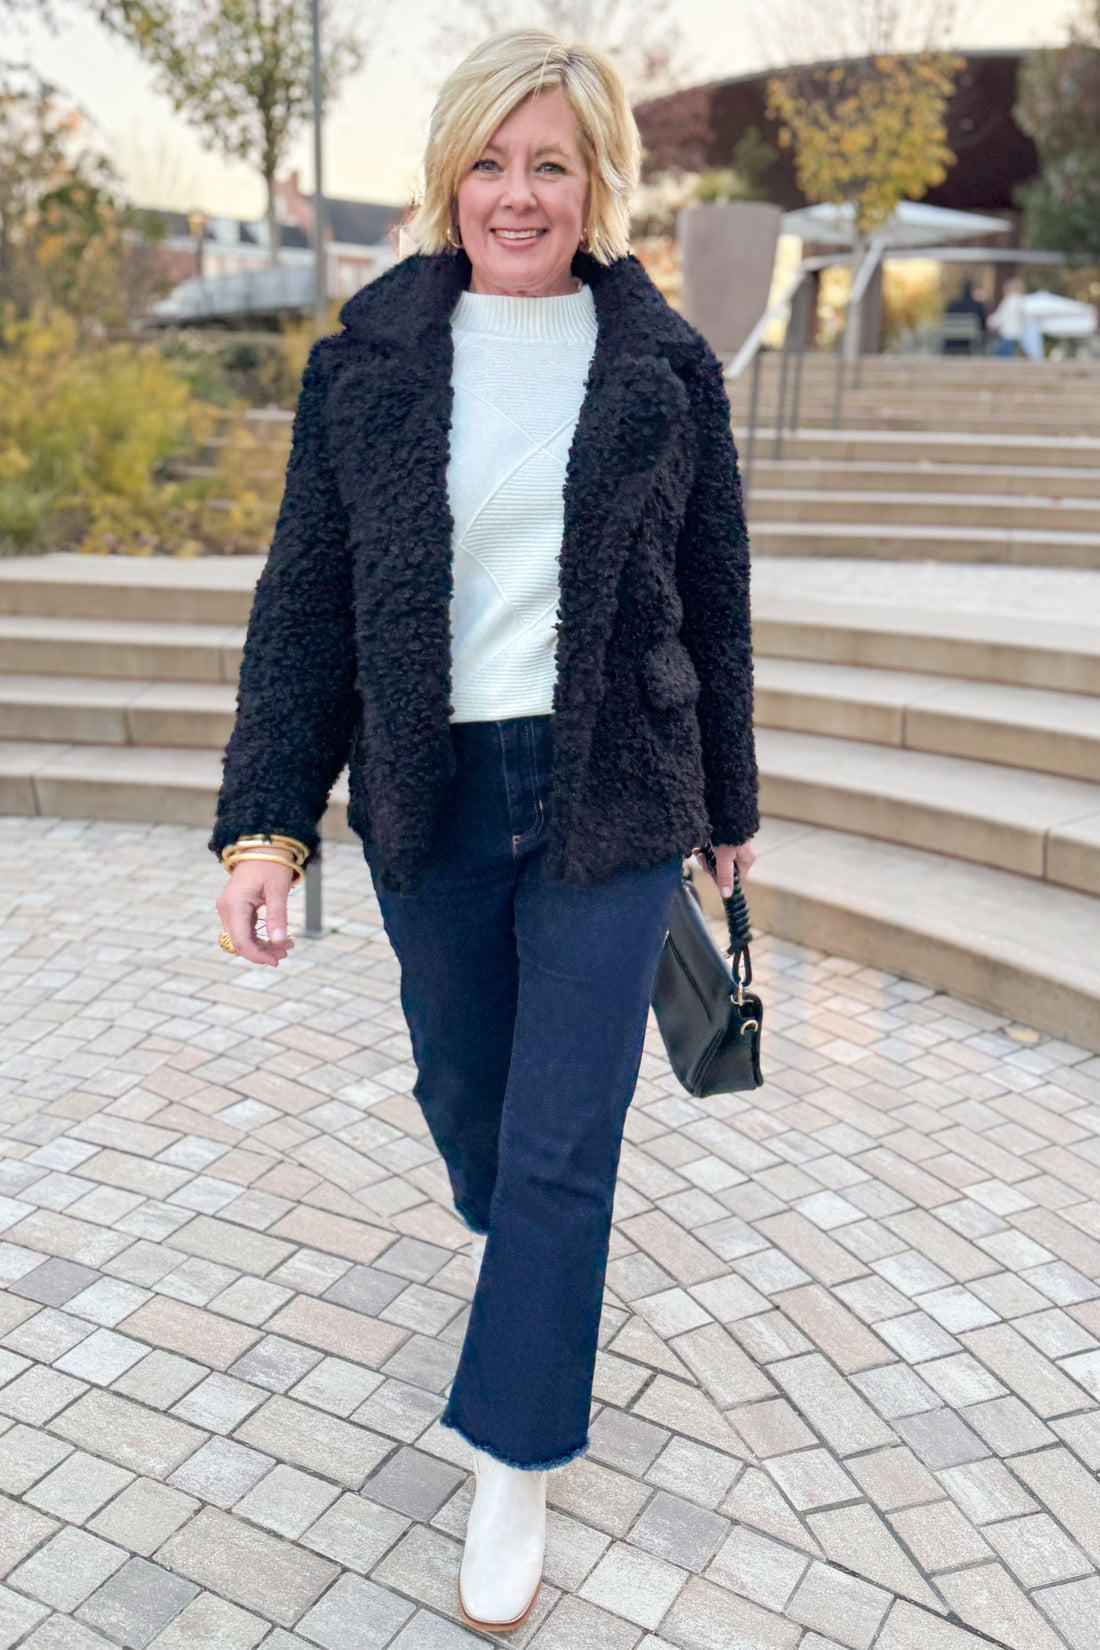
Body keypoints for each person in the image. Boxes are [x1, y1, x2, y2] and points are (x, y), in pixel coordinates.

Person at [210, 27, 758, 1636]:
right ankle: (525, 1248)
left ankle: (513, 1454)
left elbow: (715, 594)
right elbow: (304, 604)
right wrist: (266, 825)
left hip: (614, 788)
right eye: (491, 162)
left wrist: (729, 805)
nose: (519, 194)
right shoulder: (368, 357)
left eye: (552, 165)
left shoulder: (664, 364)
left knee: (563, 1140)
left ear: (599, 184)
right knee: (472, 1101)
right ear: (450, 175)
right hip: (434, 792)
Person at [941, 277, 987, 354]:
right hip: (969, 344)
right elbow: (983, 326)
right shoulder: (977, 306)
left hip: (951, 343)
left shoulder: (951, 306)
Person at [988, 275, 1028, 358]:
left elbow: (1000, 317)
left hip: (1007, 333)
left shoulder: (1007, 302)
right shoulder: (1023, 302)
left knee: (1004, 357)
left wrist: (990, 322)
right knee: (1013, 355)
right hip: (1018, 334)